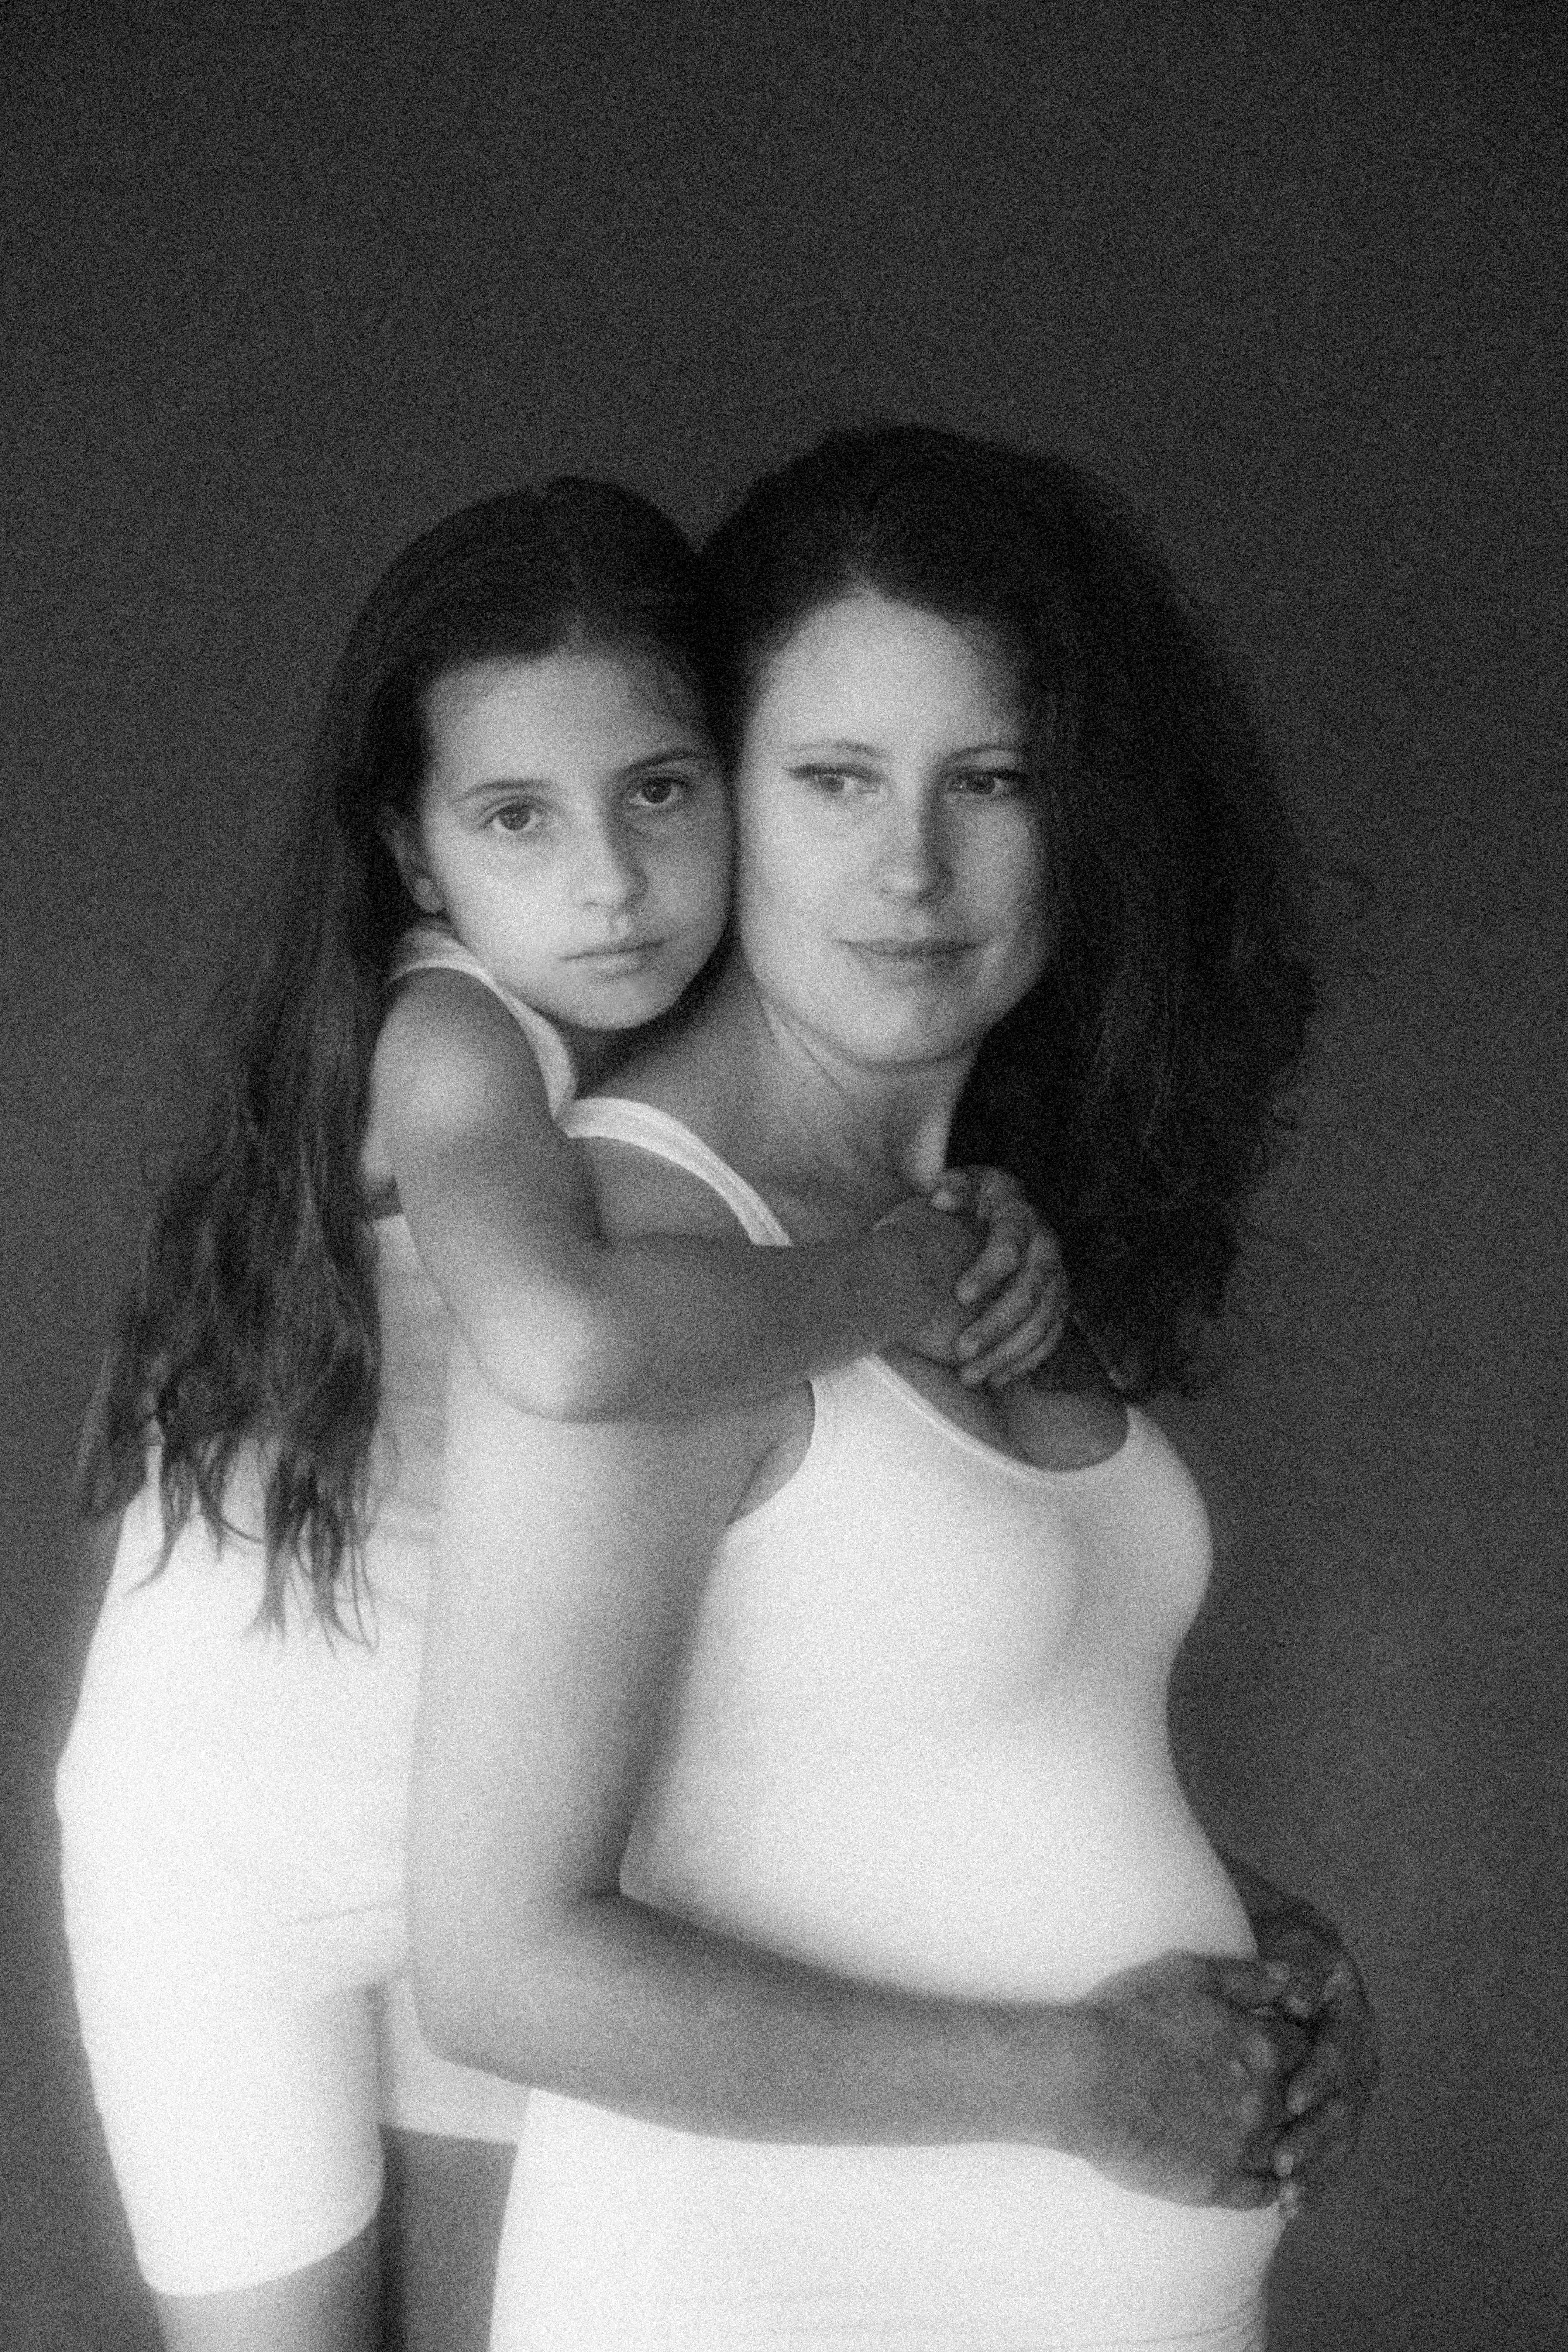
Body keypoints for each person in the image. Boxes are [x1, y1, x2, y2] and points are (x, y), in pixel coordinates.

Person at [55, 479, 1072, 2352]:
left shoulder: (678, 1081)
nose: (608, 880)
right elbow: (571, 1343)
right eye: (519, 818)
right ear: (416, 852)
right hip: (227, 1861)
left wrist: (949, 1238)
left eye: (662, 793)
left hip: (516, 1852)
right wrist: (902, 1281)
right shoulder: (452, 1032)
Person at [408, 426, 1380, 2352]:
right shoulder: (657, 1254)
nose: (912, 866)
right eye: (833, 777)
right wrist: (1086, 2079)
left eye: (990, 780)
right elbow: (503, 1970)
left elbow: (902, 1787)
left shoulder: (956, 1233)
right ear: (725, 804)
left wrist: (1262, 1962)